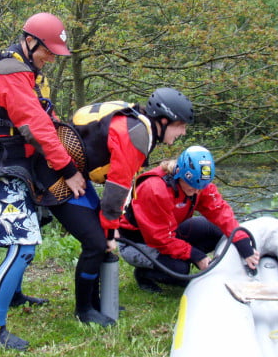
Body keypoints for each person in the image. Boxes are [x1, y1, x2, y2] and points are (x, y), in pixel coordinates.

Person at [0, 12, 86, 350]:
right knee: (22, 246)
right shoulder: (11, 73)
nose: (50, 57)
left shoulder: (21, 68)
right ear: (30, 41)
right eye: (48, 50)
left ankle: (16, 295)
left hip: (19, 161)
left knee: (29, 232)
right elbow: (36, 127)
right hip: (8, 166)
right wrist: (68, 171)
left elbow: (44, 115)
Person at [46, 88, 194, 327]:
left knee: (99, 241)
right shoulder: (137, 134)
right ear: (164, 121)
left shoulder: (137, 122)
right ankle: (84, 310)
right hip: (55, 176)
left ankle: (95, 303)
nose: (183, 132)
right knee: (96, 243)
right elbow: (117, 189)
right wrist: (111, 229)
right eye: (181, 126)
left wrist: (109, 227)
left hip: (74, 173)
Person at [118, 145, 260, 293]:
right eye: (192, 188)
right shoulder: (154, 189)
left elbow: (220, 211)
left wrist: (242, 242)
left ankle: (192, 261)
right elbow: (159, 238)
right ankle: (144, 274)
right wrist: (196, 256)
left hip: (170, 230)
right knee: (180, 269)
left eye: (201, 187)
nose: (197, 192)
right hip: (138, 242)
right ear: (180, 175)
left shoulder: (199, 183)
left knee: (216, 230)